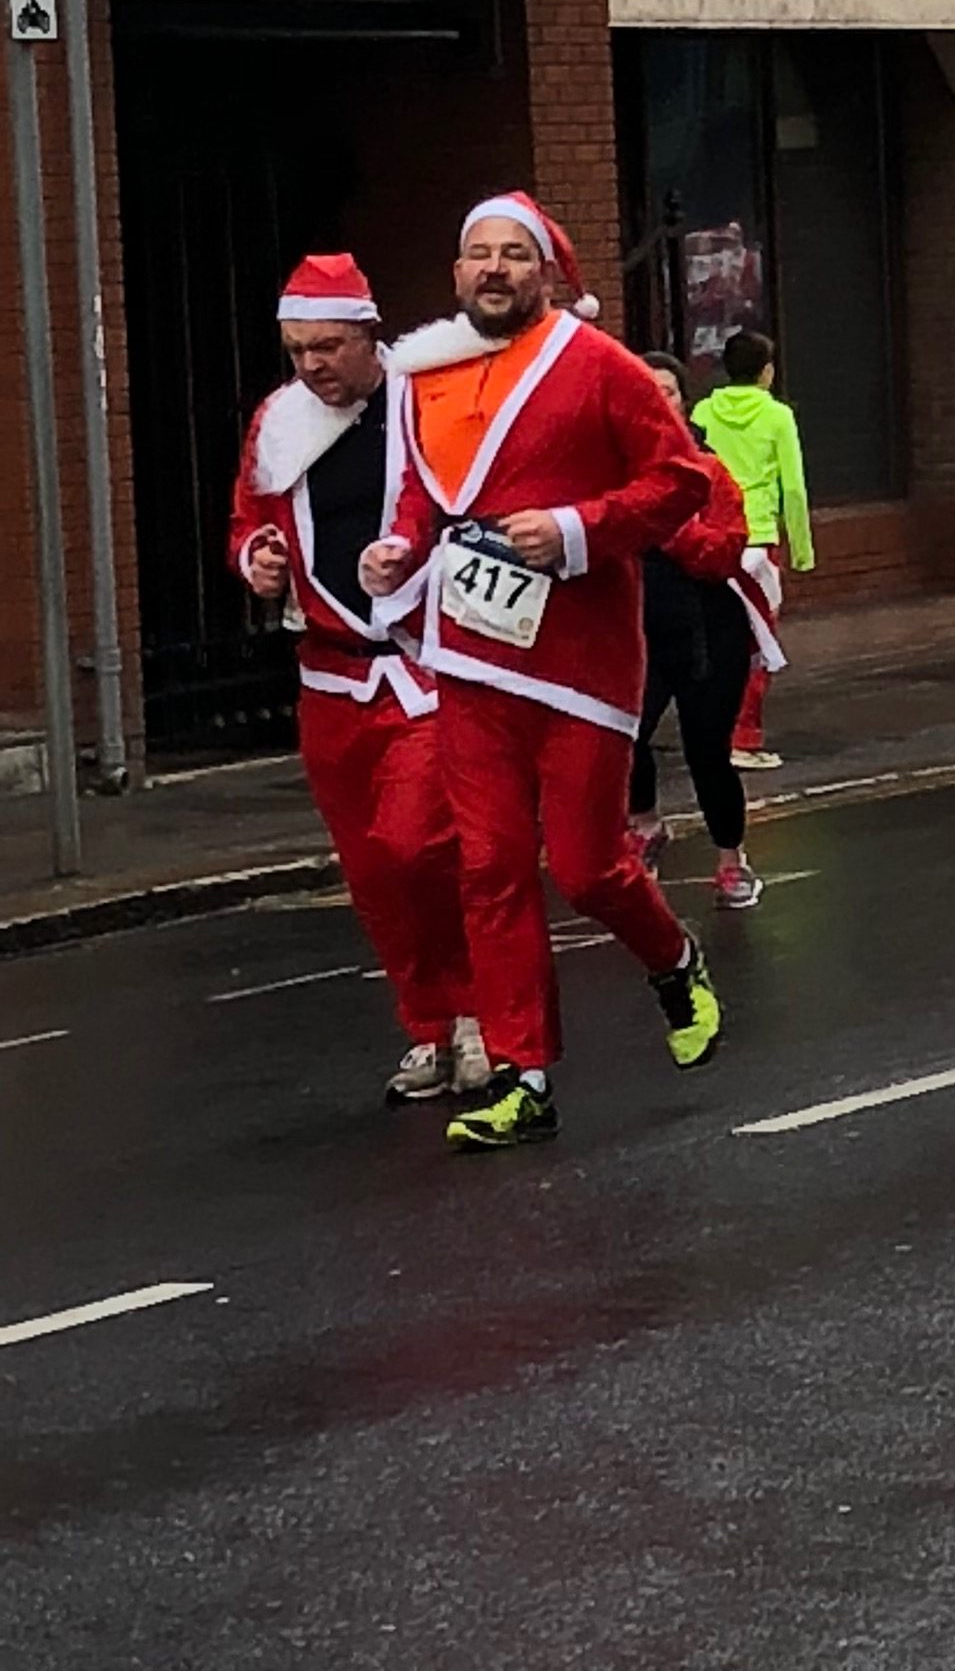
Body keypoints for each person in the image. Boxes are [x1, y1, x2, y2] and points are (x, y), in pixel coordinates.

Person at [363, 197, 725, 1151]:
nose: (493, 269)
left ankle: (674, 961)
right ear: (454, 275)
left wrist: (573, 531)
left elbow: (681, 483)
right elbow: (417, 495)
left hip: (580, 661)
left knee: (588, 866)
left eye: (514, 256)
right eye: (476, 253)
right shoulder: (421, 375)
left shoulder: (600, 368)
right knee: (487, 866)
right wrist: (397, 551)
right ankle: (525, 1075)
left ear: (551, 273)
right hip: (472, 650)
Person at [229, 250, 482, 1106]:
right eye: (297, 349)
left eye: (328, 347)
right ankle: (428, 1029)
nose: (312, 366)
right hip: (328, 680)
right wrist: (254, 559)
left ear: (371, 336)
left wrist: (413, 552)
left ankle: (478, 1012)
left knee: (422, 847)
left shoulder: (423, 406)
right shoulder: (278, 422)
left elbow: (461, 504)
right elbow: (252, 515)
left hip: (420, 669)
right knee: (372, 873)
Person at [632, 358, 776, 913]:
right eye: (647, 392)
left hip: (708, 630)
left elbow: (722, 554)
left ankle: (731, 859)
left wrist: (670, 528)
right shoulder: (616, 471)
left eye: (667, 391)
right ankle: (645, 824)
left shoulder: (709, 472)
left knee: (706, 751)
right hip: (639, 630)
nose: (657, 401)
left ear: (683, 404)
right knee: (625, 737)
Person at [692, 329, 814, 765]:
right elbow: (794, 488)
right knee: (758, 642)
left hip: (713, 538)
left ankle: (712, 732)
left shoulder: (704, 411)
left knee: (716, 641)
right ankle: (743, 738)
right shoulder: (778, 416)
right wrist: (801, 550)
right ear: (766, 371)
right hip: (759, 540)